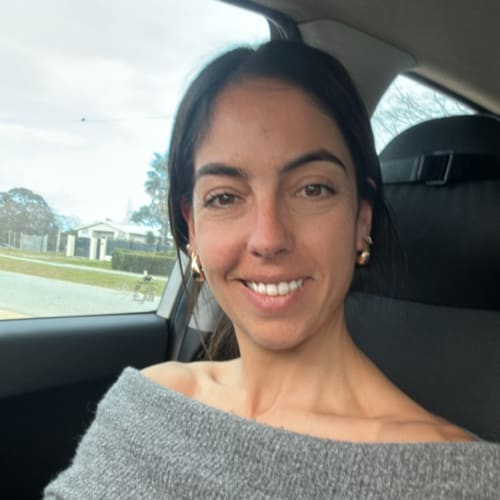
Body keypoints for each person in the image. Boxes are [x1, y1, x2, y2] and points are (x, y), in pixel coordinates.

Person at [44, 40, 500, 499]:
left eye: (312, 189)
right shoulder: (145, 402)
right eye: (225, 197)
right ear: (193, 229)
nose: (268, 238)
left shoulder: (462, 481)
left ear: (362, 220)